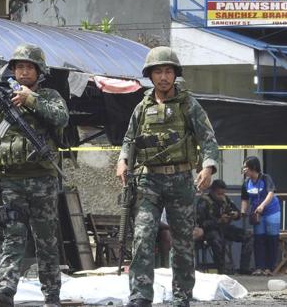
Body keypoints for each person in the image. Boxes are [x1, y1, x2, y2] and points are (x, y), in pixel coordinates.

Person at [0, 44, 69, 307]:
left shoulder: (49, 96)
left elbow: (61, 118)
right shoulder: (1, 99)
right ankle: (5, 291)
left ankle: (52, 296)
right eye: (19, 67)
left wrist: (30, 99)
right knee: (13, 236)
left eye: (29, 67)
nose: (23, 72)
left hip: (42, 180)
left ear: (39, 71)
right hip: (11, 182)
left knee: (46, 239)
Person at [115, 46, 219, 307]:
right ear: (150, 75)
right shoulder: (142, 107)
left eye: (168, 71)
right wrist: (122, 161)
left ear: (175, 74)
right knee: (142, 235)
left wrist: (208, 167)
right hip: (148, 181)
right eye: (158, 71)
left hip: (181, 179)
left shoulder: (188, 104)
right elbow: (130, 139)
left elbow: (208, 139)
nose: (163, 76)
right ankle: (140, 295)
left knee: (182, 241)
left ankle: (182, 296)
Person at [195, 179, 252, 275]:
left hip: (225, 228)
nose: (221, 196)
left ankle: (244, 268)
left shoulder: (225, 199)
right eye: (219, 194)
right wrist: (218, 221)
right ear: (212, 191)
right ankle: (222, 269)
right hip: (209, 231)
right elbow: (202, 223)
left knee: (248, 235)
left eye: (223, 193)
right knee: (216, 239)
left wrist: (235, 214)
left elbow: (236, 212)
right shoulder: (204, 201)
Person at [240, 156, 281, 276]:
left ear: (253, 168)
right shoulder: (246, 183)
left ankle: (269, 268)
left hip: (272, 211)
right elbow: (245, 199)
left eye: (245, 167)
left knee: (272, 239)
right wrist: (243, 211)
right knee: (259, 239)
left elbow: (270, 193)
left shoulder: (265, 178)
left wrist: (262, 205)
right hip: (257, 214)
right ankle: (259, 267)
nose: (244, 170)